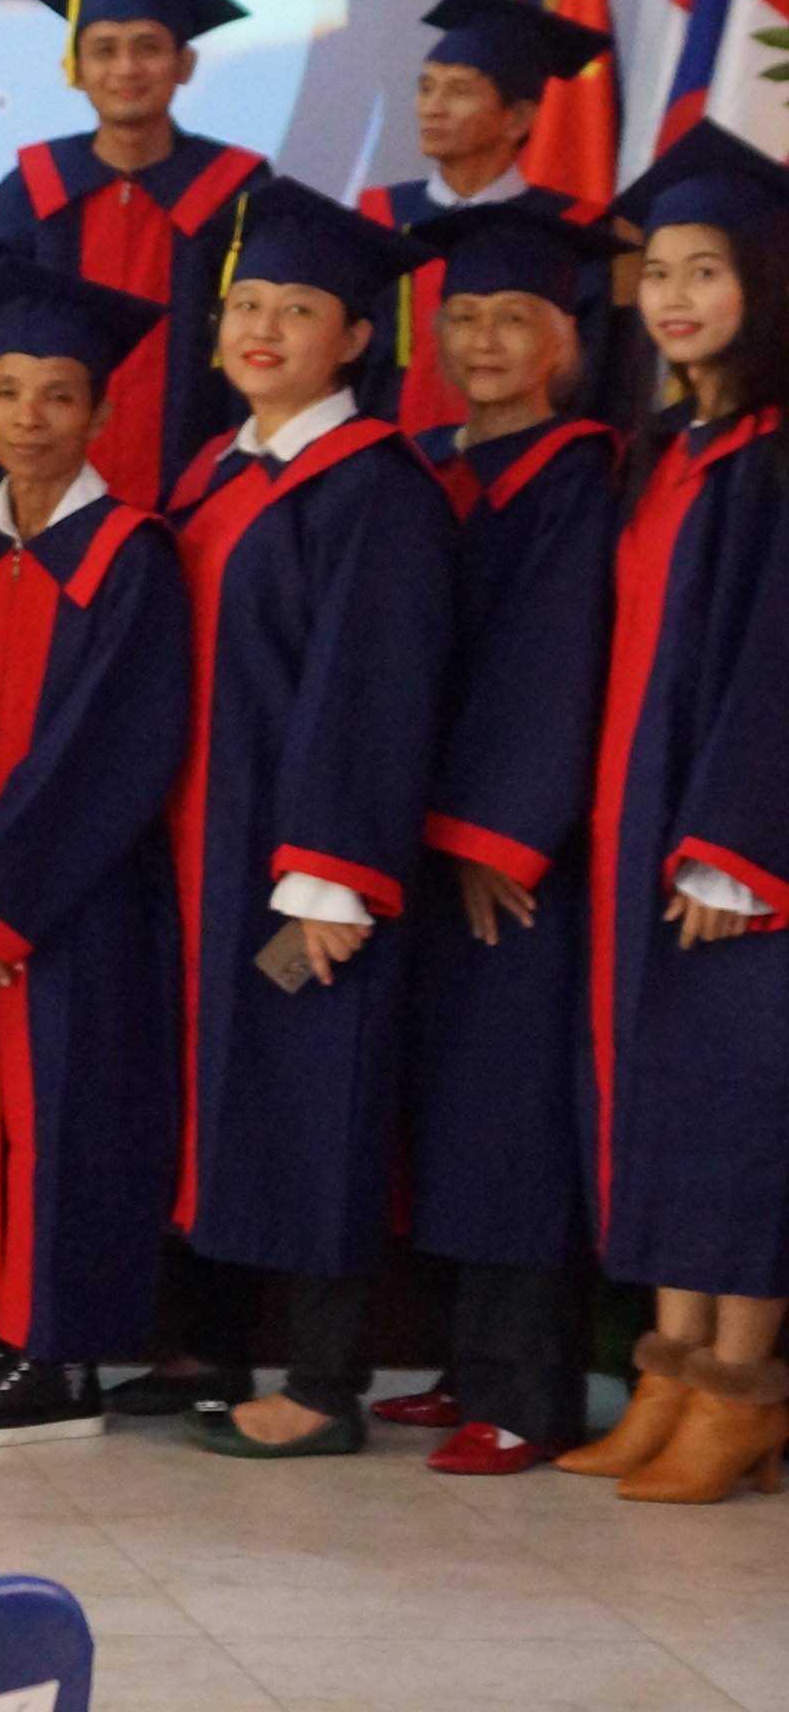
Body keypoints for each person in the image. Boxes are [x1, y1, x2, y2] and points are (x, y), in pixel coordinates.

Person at [134, 179, 450, 1460]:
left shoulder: (373, 488)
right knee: (220, 1085)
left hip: (298, 870)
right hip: (199, 851)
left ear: (357, 337)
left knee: (312, 1088)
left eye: (298, 308)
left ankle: (323, 1384)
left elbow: (373, 688)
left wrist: (331, 875)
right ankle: (209, 1343)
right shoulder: (218, 469)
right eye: (246, 303)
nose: (262, 328)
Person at [0, 256, 189, 1448]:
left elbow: (114, 746)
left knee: (72, 1118)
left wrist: (1, 891)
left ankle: (61, 1360)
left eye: (59, 395)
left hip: (78, 903)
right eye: (7, 392)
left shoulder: (132, 556)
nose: (29, 418)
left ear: (100, 413)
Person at [552, 124, 789, 1504]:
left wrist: (737, 843)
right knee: (663, 1099)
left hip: (733, 847)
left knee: (740, 1107)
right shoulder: (668, 450)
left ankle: (741, 1391)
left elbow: (776, 659)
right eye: (659, 271)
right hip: (643, 826)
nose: (674, 295)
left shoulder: (773, 456)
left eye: (707, 269)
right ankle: (673, 1366)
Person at [379, 205, 623, 1476]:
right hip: (418, 836)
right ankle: (466, 1366)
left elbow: (558, 662)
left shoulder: (582, 475)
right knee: (445, 1106)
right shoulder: (421, 463)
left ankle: (530, 1393)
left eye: (512, 320)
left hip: (516, 858)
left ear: (563, 342)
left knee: (510, 1113)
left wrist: (499, 834)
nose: (481, 340)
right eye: (463, 316)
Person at [0, 0, 264, 508]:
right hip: (44, 505)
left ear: (184, 64)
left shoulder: (235, 193)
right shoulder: (30, 193)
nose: (126, 68)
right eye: (104, 50)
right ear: (77, 67)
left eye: (148, 47)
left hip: (203, 496)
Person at [357, 0, 621, 436]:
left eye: (458, 90)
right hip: (390, 461)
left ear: (517, 118)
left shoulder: (576, 231)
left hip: (531, 466)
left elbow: (596, 380)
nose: (431, 108)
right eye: (426, 88)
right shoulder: (379, 217)